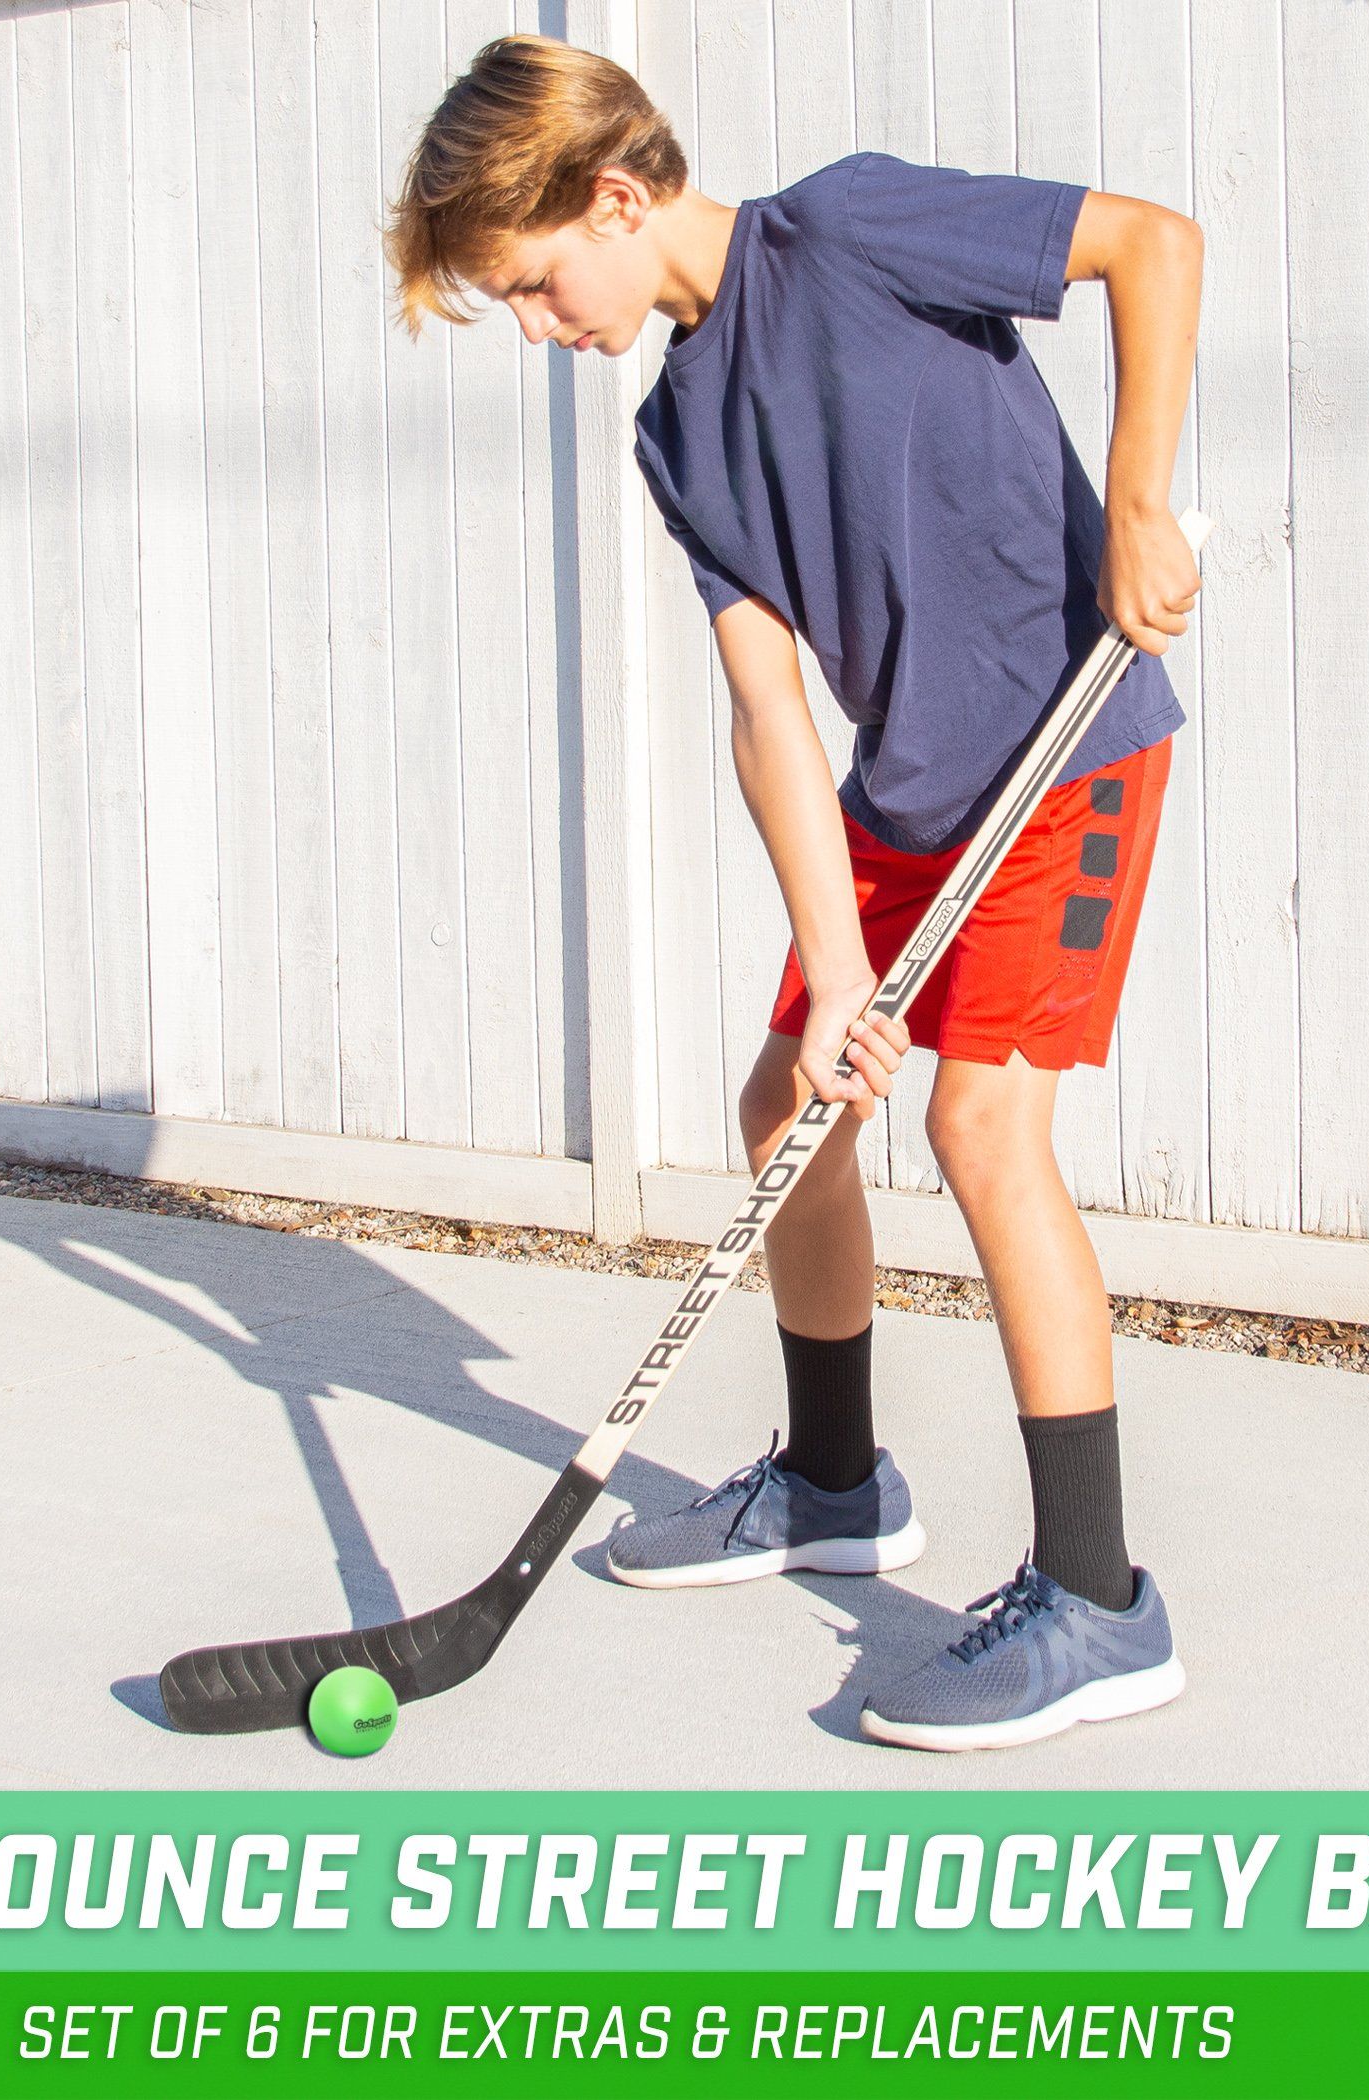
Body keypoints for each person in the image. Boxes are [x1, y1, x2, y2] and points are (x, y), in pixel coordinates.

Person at [384, 34, 1203, 1751]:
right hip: (913, 786)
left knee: (985, 1127)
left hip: (1072, 748)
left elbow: (1153, 243)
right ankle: (835, 1485)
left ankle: (1102, 1601)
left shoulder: (854, 229)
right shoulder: (679, 430)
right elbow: (766, 704)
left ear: (615, 196)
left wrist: (1133, 501)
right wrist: (835, 970)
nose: (540, 330)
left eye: (533, 288)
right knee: (787, 1104)